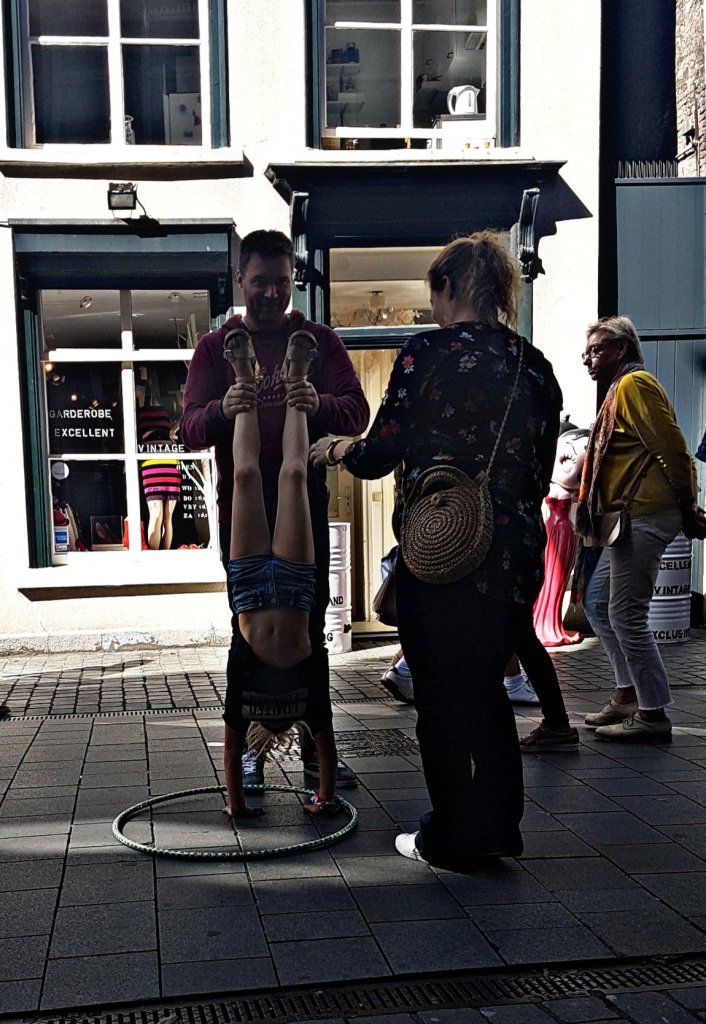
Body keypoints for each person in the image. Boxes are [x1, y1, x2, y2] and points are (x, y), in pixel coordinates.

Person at [311, 230, 562, 870]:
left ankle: (449, 835)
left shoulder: (426, 352)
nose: (433, 308)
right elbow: (539, 468)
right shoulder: (535, 365)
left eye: (435, 294)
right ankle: (498, 828)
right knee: (487, 692)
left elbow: (383, 449)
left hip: (444, 551)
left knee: (441, 701)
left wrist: (337, 449)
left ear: (449, 288)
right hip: (513, 555)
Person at [181, 229, 369, 788]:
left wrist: (320, 402)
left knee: (308, 631)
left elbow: (357, 413)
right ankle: (252, 754)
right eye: (260, 282)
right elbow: (189, 428)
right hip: (240, 509)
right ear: (240, 280)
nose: (271, 294)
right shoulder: (214, 348)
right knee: (248, 632)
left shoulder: (319, 340)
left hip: (303, 507)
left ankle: (314, 752)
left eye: (281, 283)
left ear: (293, 282)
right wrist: (221, 410)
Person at [222, 327, 340, 817]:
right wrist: (323, 799)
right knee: (293, 474)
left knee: (246, 475)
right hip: (294, 587)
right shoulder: (307, 702)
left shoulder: (243, 699)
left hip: (250, 588)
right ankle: (297, 377)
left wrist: (236, 806)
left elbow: (231, 749)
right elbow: (327, 749)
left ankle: (244, 378)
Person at [576, 315, 698, 743]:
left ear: (621, 349)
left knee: (626, 613)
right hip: (626, 518)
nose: (588, 359)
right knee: (598, 603)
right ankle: (627, 694)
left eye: (596, 350)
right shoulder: (618, 390)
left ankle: (652, 713)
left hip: (645, 512)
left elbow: (672, 446)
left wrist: (688, 506)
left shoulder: (634, 385)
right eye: (586, 353)